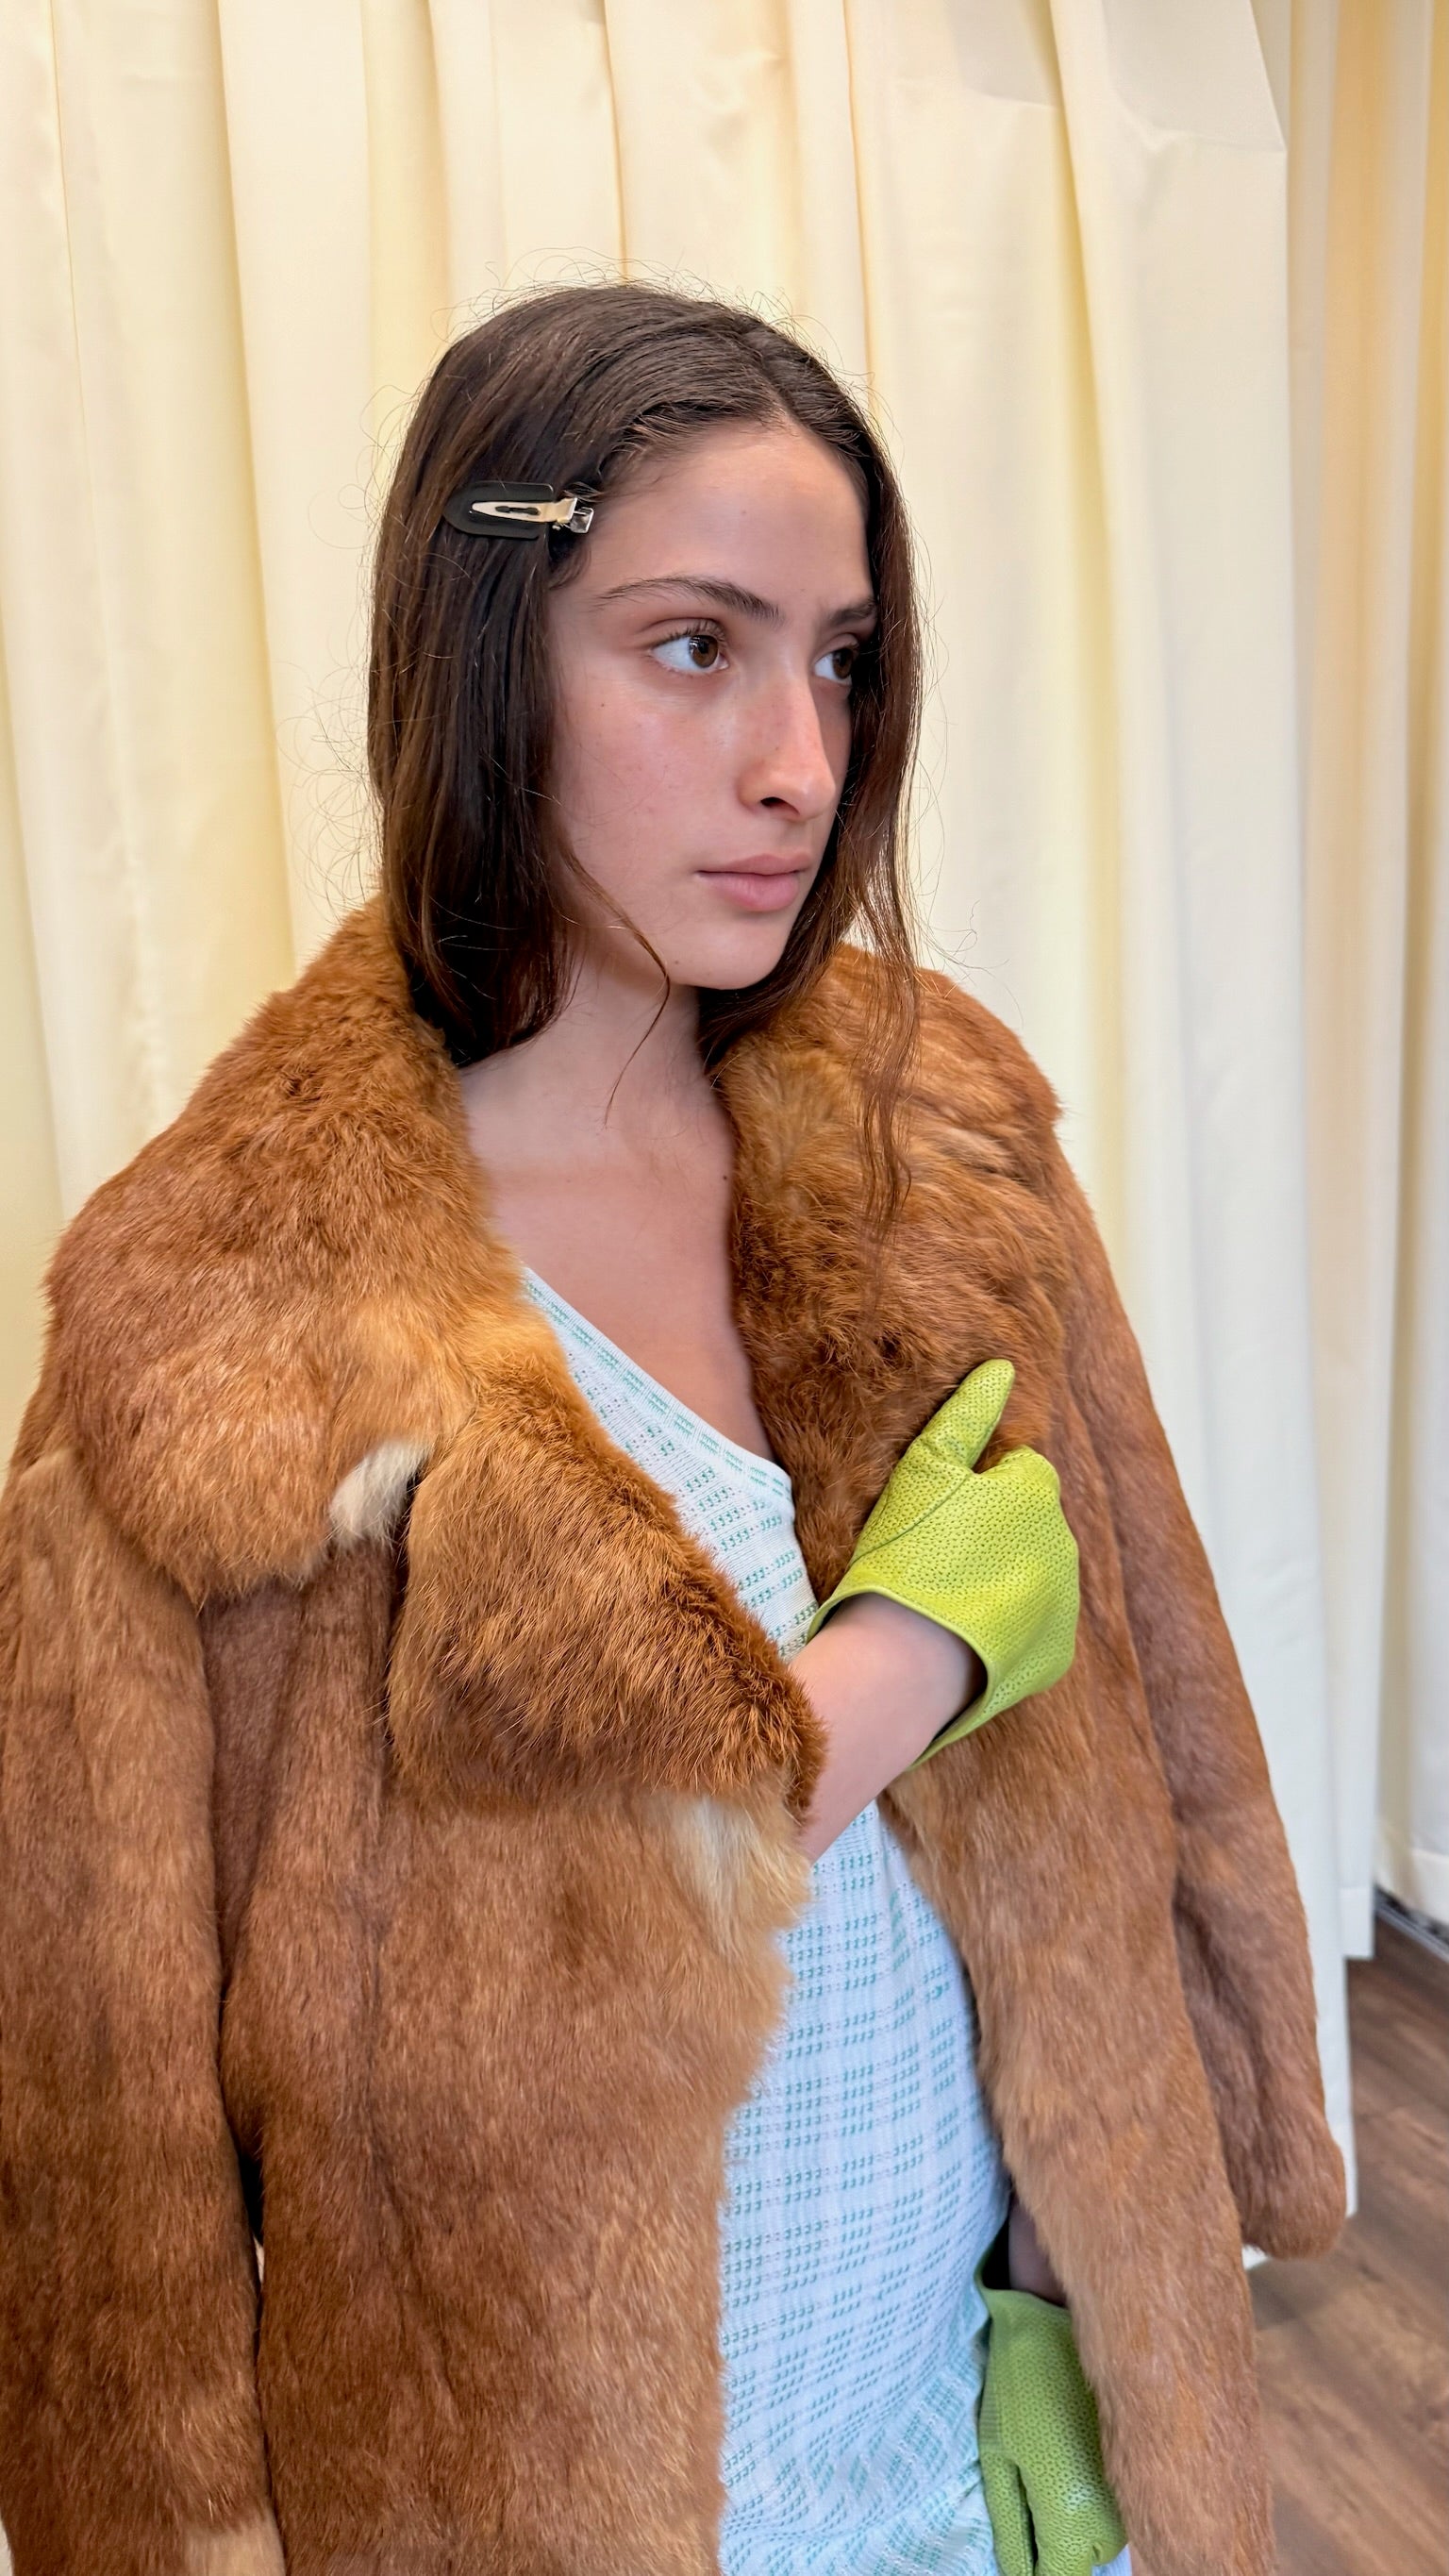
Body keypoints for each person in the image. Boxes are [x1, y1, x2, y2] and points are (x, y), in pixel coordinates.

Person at [0, 284, 1342, 2576]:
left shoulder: (942, 1138)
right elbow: (98, 2124)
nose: (801, 762)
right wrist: (901, 1660)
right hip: (545, 2505)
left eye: (842, 660)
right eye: (695, 646)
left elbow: (1159, 1736)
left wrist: (1142, 2238)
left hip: (976, 2449)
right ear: (484, 650)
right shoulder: (209, 1332)